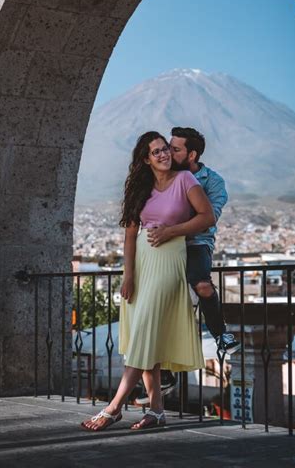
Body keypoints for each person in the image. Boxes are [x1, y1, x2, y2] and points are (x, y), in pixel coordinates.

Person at [81, 131, 215, 432]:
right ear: (146, 159)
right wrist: (128, 276)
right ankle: (156, 410)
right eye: (156, 152)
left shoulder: (185, 182)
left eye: (165, 148)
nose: (164, 154)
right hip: (142, 265)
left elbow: (207, 217)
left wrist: (172, 231)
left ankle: (114, 408)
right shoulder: (140, 189)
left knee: (143, 334)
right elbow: (130, 236)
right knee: (148, 335)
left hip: (169, 263)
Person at [137, 127, 240, 404]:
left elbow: (209, 217)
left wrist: (173, 225)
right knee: (167, 305)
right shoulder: (163, 176)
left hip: (195, 244)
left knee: (202, 284)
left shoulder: (211, 181)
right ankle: (166, 370)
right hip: (166, 248)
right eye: (166, 147)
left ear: (192, 154)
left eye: (176, 149)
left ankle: (221, 333)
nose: (169, 152)